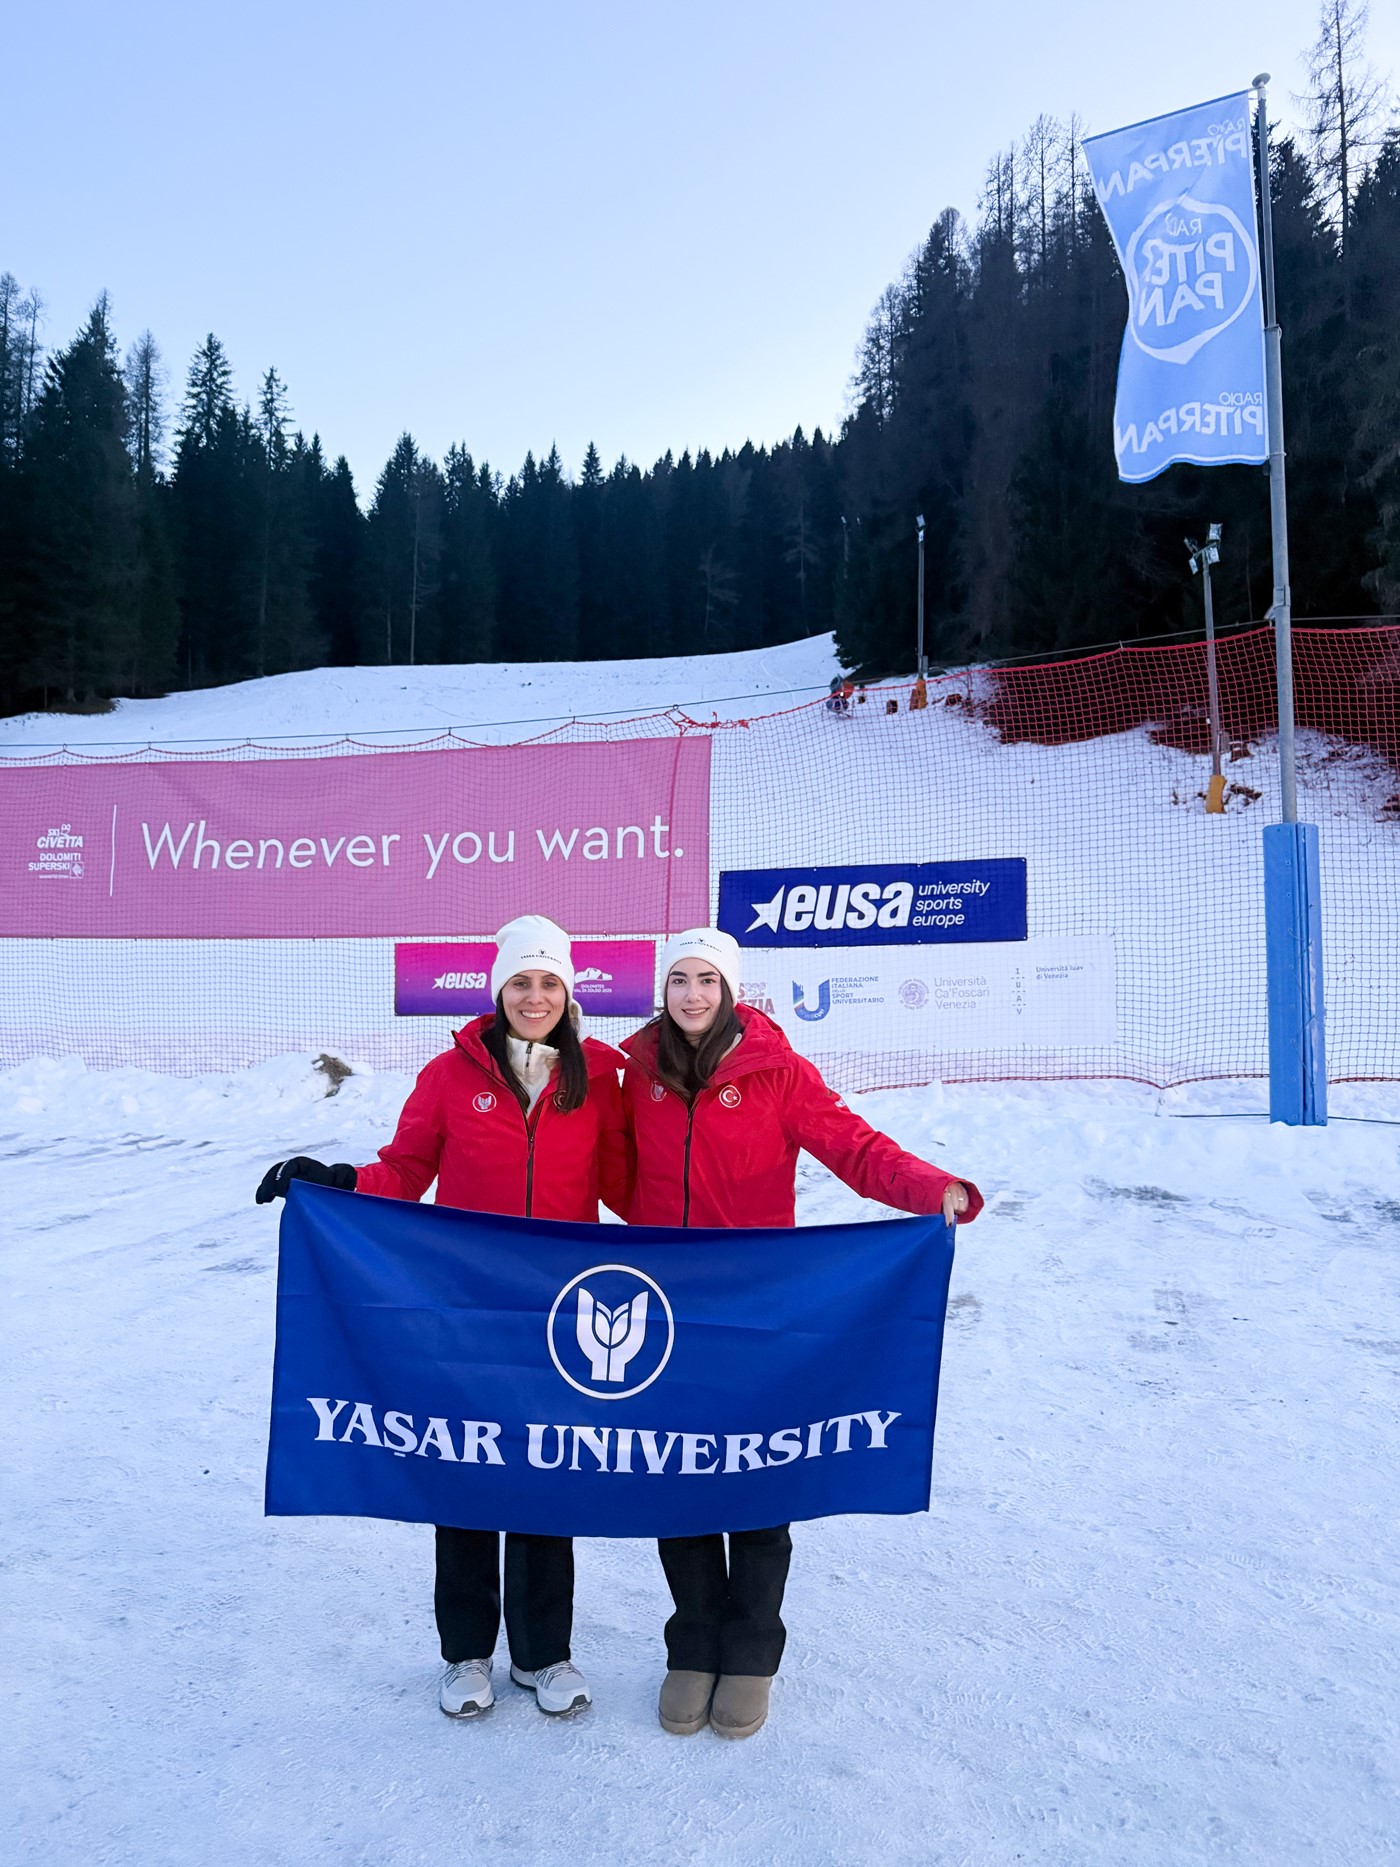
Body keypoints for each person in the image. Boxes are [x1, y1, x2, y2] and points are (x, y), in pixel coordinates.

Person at [255, 915, 630, 1721]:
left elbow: (633, 1188)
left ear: (569, 992)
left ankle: (543, 1653)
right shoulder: (451, 1074)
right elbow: (408, 1168)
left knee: (546, 1474)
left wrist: (727, 1240)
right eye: (521, 981)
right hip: (463, 1308)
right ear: (499, 989)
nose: (535, 995)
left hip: (562, 1315)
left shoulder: (599, 1076)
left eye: (549, 981)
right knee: (465, 1471)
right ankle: (466, 1652)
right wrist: (340, 1180)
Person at [620, 927, 983, 1741]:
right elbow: (598, 1164)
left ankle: (748, 1652)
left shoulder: (777, 1070)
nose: (691, 995)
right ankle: (693, 1643)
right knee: (675, 1476)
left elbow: (853, 1146)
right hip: (665, 1311)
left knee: (755, 1475)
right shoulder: (632, 1071)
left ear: (731, 988)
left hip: (758, 1309)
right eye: (678, 979)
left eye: (707, 979)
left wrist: (933, 1189)